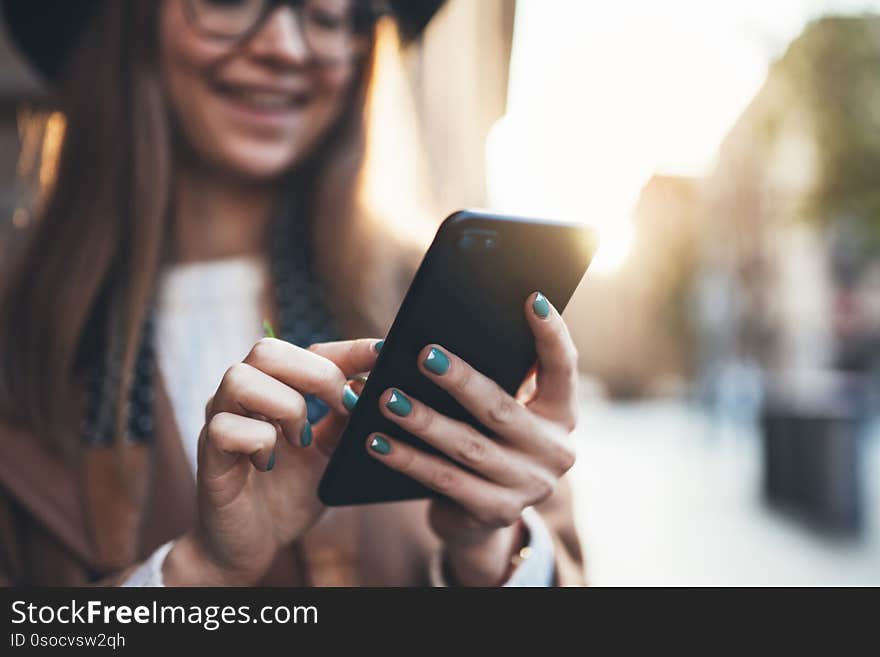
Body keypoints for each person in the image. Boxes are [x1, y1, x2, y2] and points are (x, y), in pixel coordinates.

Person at [0, 0, 585, 586]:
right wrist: (197, 571)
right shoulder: (15, 331)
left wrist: (492, 549)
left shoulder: (449, 297)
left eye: (328, 13)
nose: (285, 46)